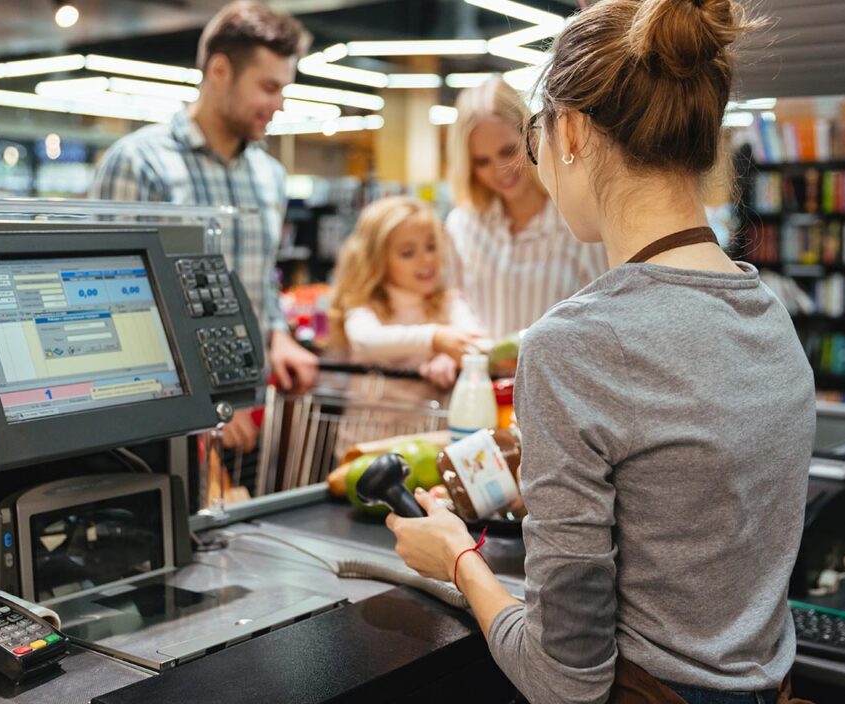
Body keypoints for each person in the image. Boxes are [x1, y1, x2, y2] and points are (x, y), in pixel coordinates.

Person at [385, 1, 816, 703]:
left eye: (535, 136)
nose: (537, 168)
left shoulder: (572, 345)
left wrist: (460, 562)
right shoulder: (768, 313)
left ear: (574, 131)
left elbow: (565, 680)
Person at [90, 0, 318, 451]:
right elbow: (114, 298)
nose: (279, 104)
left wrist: (278, 336)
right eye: (268, 87)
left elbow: (260, 279)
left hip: (248, 407)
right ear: (219, 71)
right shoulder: (140, 163)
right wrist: (201, 399)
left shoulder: (269, 175)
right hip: (160, 416)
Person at [444, 77, 610, 341]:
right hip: (481, 379)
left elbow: (605, 310)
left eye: (508, 151)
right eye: (482, 161)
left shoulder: (578, 222)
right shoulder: (461, 225)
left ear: (532, 136)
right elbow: (452, 296)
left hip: (558, 378)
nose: (499, 171)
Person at [328, 196, 487, 389]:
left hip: (431, 419)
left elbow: (480, 344)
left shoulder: (448, 302)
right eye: (408, 253)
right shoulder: (364, 304)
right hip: (368, 418)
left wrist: (450, 358)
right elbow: (366, 340)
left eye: (431, 246)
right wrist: (434, 338)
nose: (426, 259)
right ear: (377, 260)